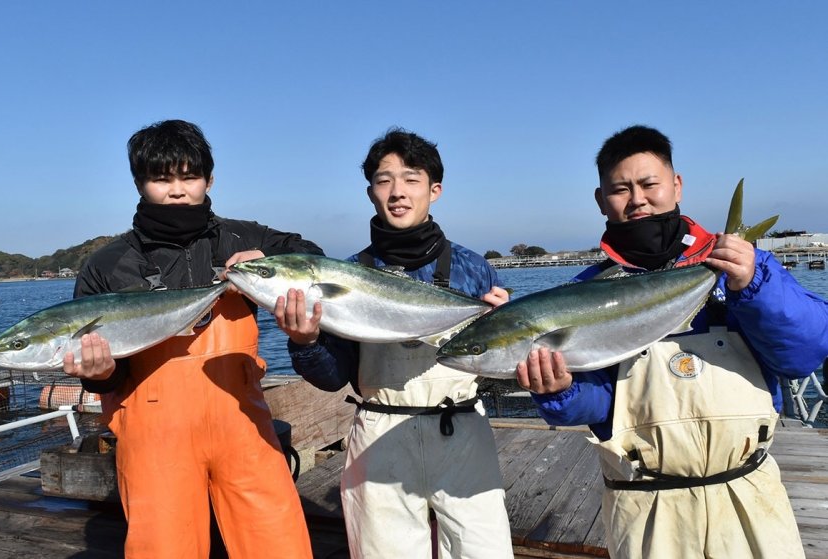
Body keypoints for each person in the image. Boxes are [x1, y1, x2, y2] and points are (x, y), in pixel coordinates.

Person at [517, 125, 828, 558]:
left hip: (748, 494)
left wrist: (753, 282)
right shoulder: (587, 292)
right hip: (645, 503)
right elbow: (602, 405)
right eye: (620, 189)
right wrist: (560, 392)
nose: (637, 198)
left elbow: (805, 353)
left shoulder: (742, 269)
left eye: (649, 184)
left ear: (676, 184)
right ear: (600, 198)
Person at [64, 119, 318, 559]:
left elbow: (315, 259)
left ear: (209, 179)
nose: (177, 190)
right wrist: (100, 374)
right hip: (154, 438)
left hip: (245, 426)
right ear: (140, 183)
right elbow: (103, 378)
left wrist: (275, 263)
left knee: (279, 545)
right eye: (161, 179)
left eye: (189, 177)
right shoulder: (106, 265)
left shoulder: (244, 237)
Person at [273, 129, 515, 558]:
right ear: (370, 192)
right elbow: (333, 378)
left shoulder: (472, 270)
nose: (397, 192)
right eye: (384, 181)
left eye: (411, 179)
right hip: (379, 432)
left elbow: (501, 364)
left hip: (460, 426)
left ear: (434, 190)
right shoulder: (347, 274)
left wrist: (507, 329)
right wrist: (305, 341)